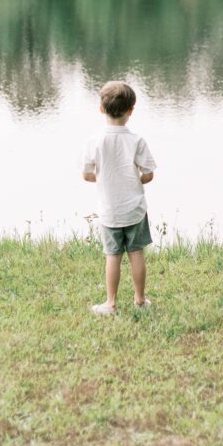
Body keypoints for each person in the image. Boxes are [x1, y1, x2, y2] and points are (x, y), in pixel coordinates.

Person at [82, 80, 156, 315]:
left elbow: (87, 175)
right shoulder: (137, 141)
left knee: (112, 256)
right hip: (134, 209)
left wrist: (102, 177)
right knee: (136, 253)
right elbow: (148, 175)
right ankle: (140, 300)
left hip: (109, 210)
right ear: (131, 111)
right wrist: (136, 177)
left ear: (101, 109)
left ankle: (111, 303)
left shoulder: (94, 141)